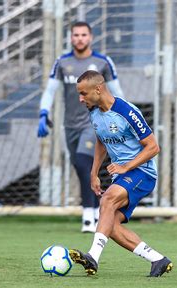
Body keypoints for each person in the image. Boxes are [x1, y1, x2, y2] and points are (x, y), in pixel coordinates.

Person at [69, 70, 173, 277]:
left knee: (107, 201)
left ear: (98, 89)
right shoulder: (94, 111)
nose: (81, 99)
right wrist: (94, 173)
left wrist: (126, 167)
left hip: (142, 173)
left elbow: (153, 147)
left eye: (83, 93)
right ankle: (158, 260)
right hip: (124, 176)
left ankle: (93, 257)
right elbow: (101, 139)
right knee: (110, 225)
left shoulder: (126, 111)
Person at [38, 21, 125, 233]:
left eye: (83, 35)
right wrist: (43, 113)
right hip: (69, 125)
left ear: (90, 37)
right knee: (80, 166)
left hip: (94, 123)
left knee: (83, 160)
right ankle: (96, 210)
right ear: (71, 38)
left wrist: (122, 117)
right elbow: (50, 91)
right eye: (76, 35)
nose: (79, 38)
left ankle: (89, 215)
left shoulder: (103, 62)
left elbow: (117, 91)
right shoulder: (62, 62)